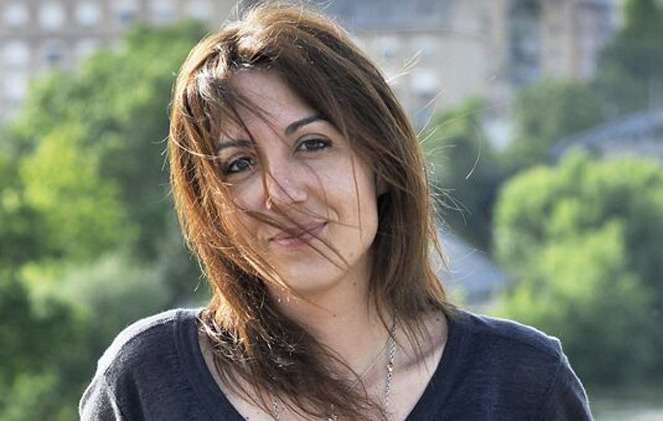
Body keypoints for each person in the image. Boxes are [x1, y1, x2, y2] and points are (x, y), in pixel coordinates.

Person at [79, 2, 593, 420]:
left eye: (312, 144)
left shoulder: (522, 382)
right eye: (238, 164)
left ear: (381, 164)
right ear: (210, 207)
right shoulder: (148, 380)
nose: (280, 194)